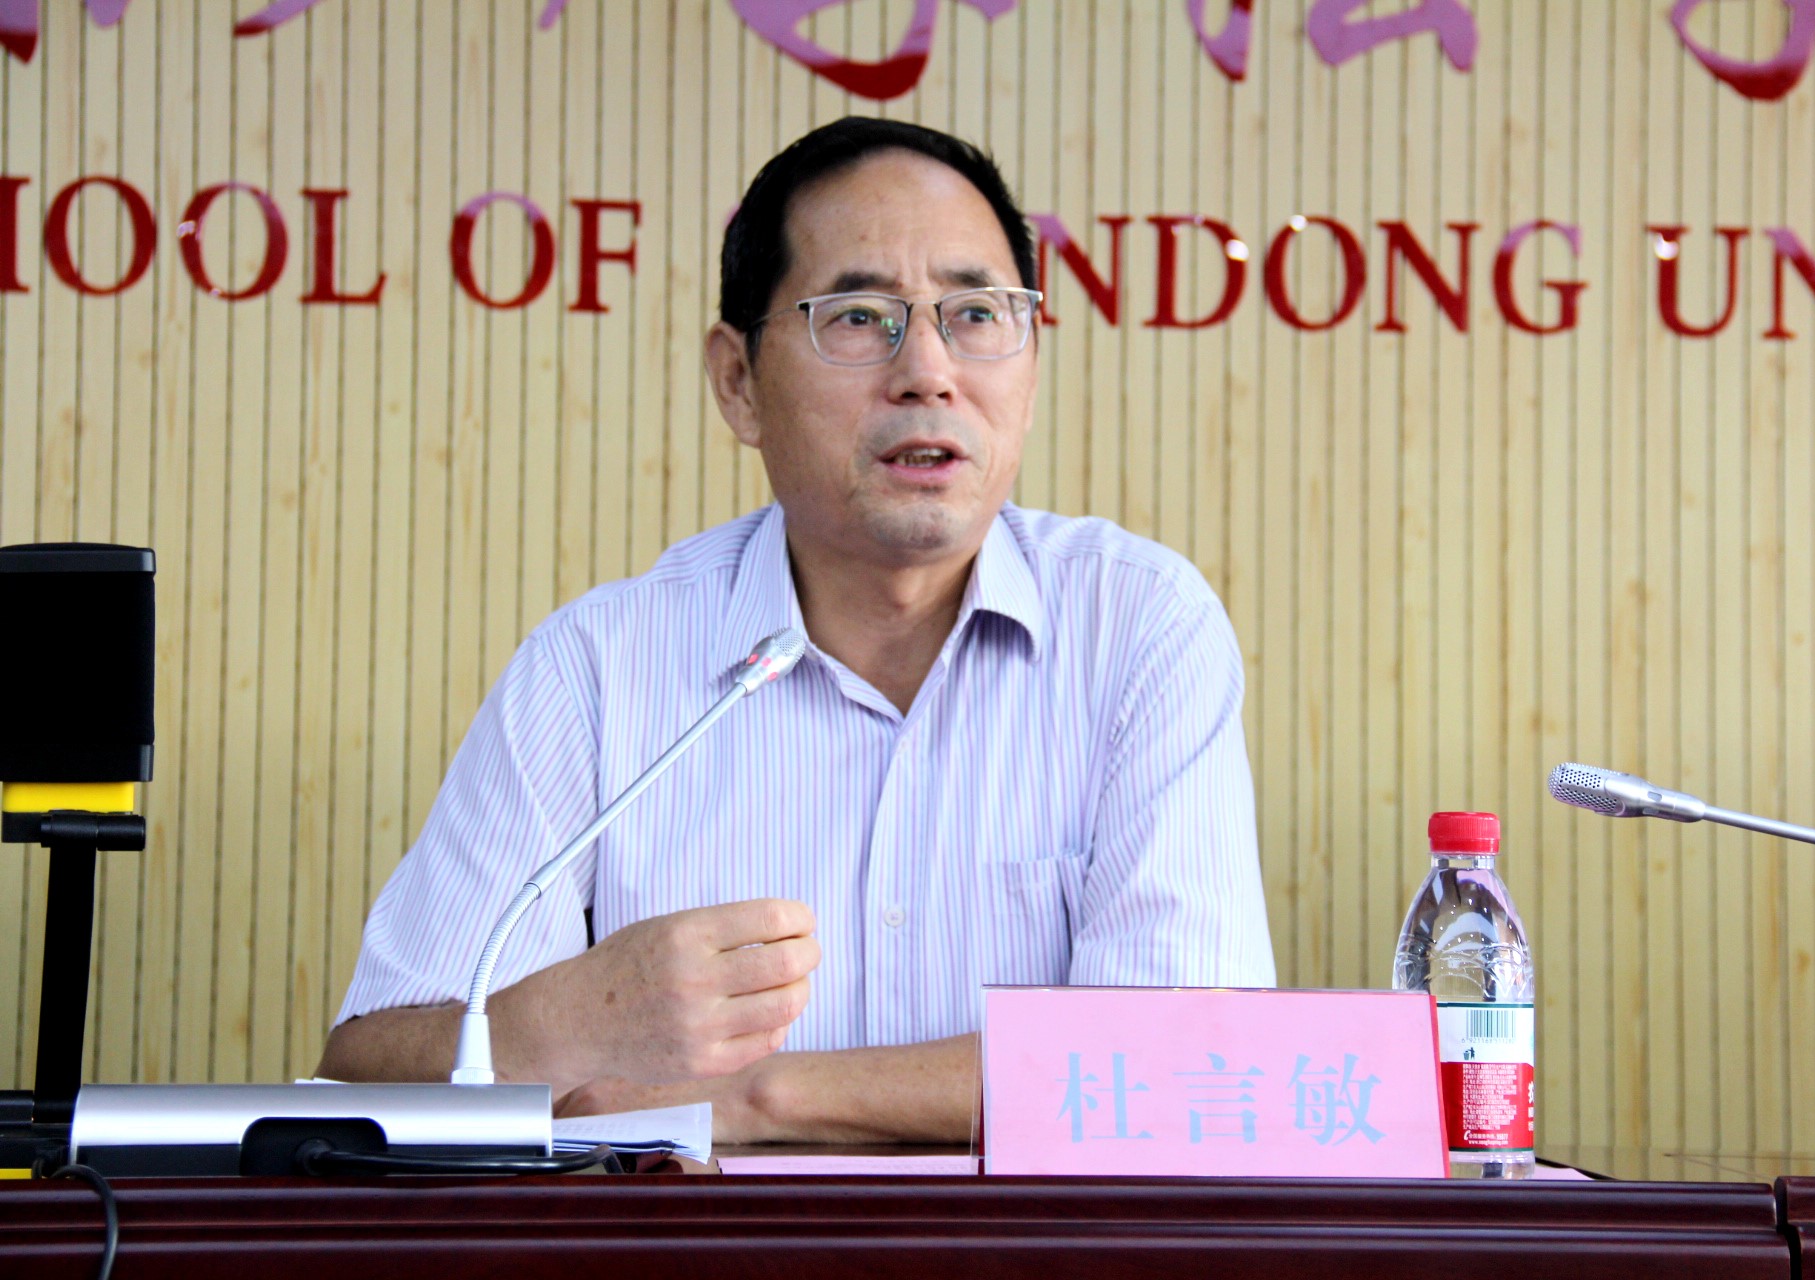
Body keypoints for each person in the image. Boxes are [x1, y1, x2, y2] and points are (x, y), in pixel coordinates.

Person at [318, 117, 1275, 1142]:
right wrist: (568, 1020)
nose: (928, 371)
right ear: (739, 383)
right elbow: (362, 1079)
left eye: (976, 314)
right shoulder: (597, 669)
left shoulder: (1137, 628)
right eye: (859, 317)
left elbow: (1189, 1066)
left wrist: (757, 1096)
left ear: (1030, 368)